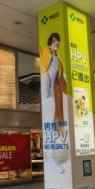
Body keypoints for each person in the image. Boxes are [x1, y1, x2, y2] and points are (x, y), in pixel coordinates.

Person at [40, 32, 68, 174]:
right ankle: (50, 158)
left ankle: (51, 158)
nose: (56, 42)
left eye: (58, 41)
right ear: (49, 44)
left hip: (53, 95)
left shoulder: (59, 62)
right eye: (54, 40)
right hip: (46, 94)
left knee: (52, 125)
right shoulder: (45, 52)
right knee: (49, 125)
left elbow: (61, 80)